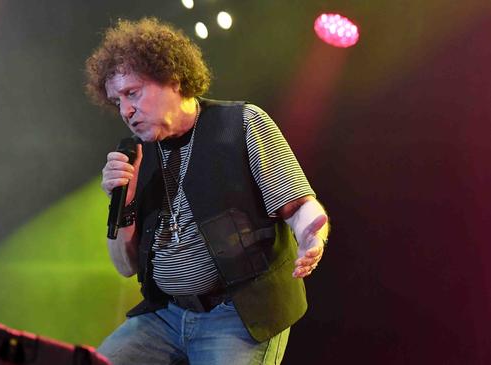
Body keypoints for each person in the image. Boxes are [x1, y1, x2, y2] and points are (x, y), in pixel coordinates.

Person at [85, 17, 329, 365]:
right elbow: (125, 266)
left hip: (238, 315)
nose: (125, 110)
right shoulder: (138, 153)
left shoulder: (240, 123)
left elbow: (300, 206)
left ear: (172, 78)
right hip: (165, 316)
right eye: (117, 101)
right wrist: (124, 199)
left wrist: (311, 238)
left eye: (132, 93)